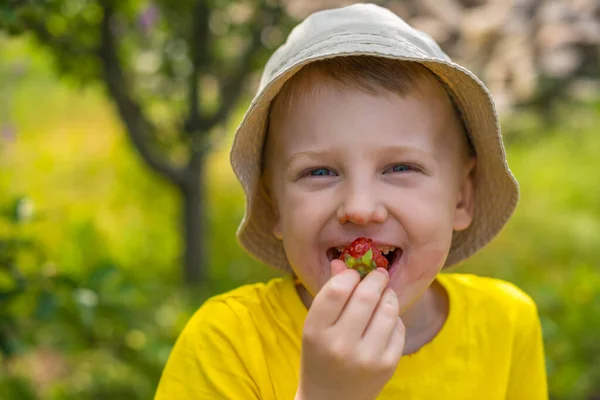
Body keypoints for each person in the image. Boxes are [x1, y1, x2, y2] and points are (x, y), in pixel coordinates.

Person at [154, 3, 548, 399]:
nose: (360, 208)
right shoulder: (229, 343)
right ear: (274, 206)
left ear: (462, 196)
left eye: (400, 168)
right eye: (320, 172)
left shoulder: (507, 324)